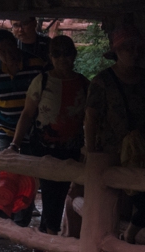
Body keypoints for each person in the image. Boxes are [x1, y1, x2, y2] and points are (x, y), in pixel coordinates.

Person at [11, 35, 88, 236]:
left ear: (74, 55)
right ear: (50, 56)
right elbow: (27, 114)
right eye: (57, 54)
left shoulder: (83, 83)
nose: (63, 58)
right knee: (50, 188)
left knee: (61, 190)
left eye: (67, 53)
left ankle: (47, 231)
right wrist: (15, 144)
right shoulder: (42, 81)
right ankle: (51, 233)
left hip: (71, 145)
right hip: (44, 145)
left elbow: (91, 118)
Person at [87, 22, 145, 236]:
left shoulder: (143, 78)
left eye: (137, 48)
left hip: (141, 151)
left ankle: (127, 236)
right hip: (111, 151)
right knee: (112, 200)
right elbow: (91, 117)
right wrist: (92, 151)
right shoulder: (102, 81)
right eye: (128, 48)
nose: (134, 53)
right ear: (117, 51)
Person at [0, 28, 50, 147]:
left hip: (34, 128)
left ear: (16, 45)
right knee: (6, 162)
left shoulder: (36, 64)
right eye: (2, 51)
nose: (8, 54)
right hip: (5, 129)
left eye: (10, 48)